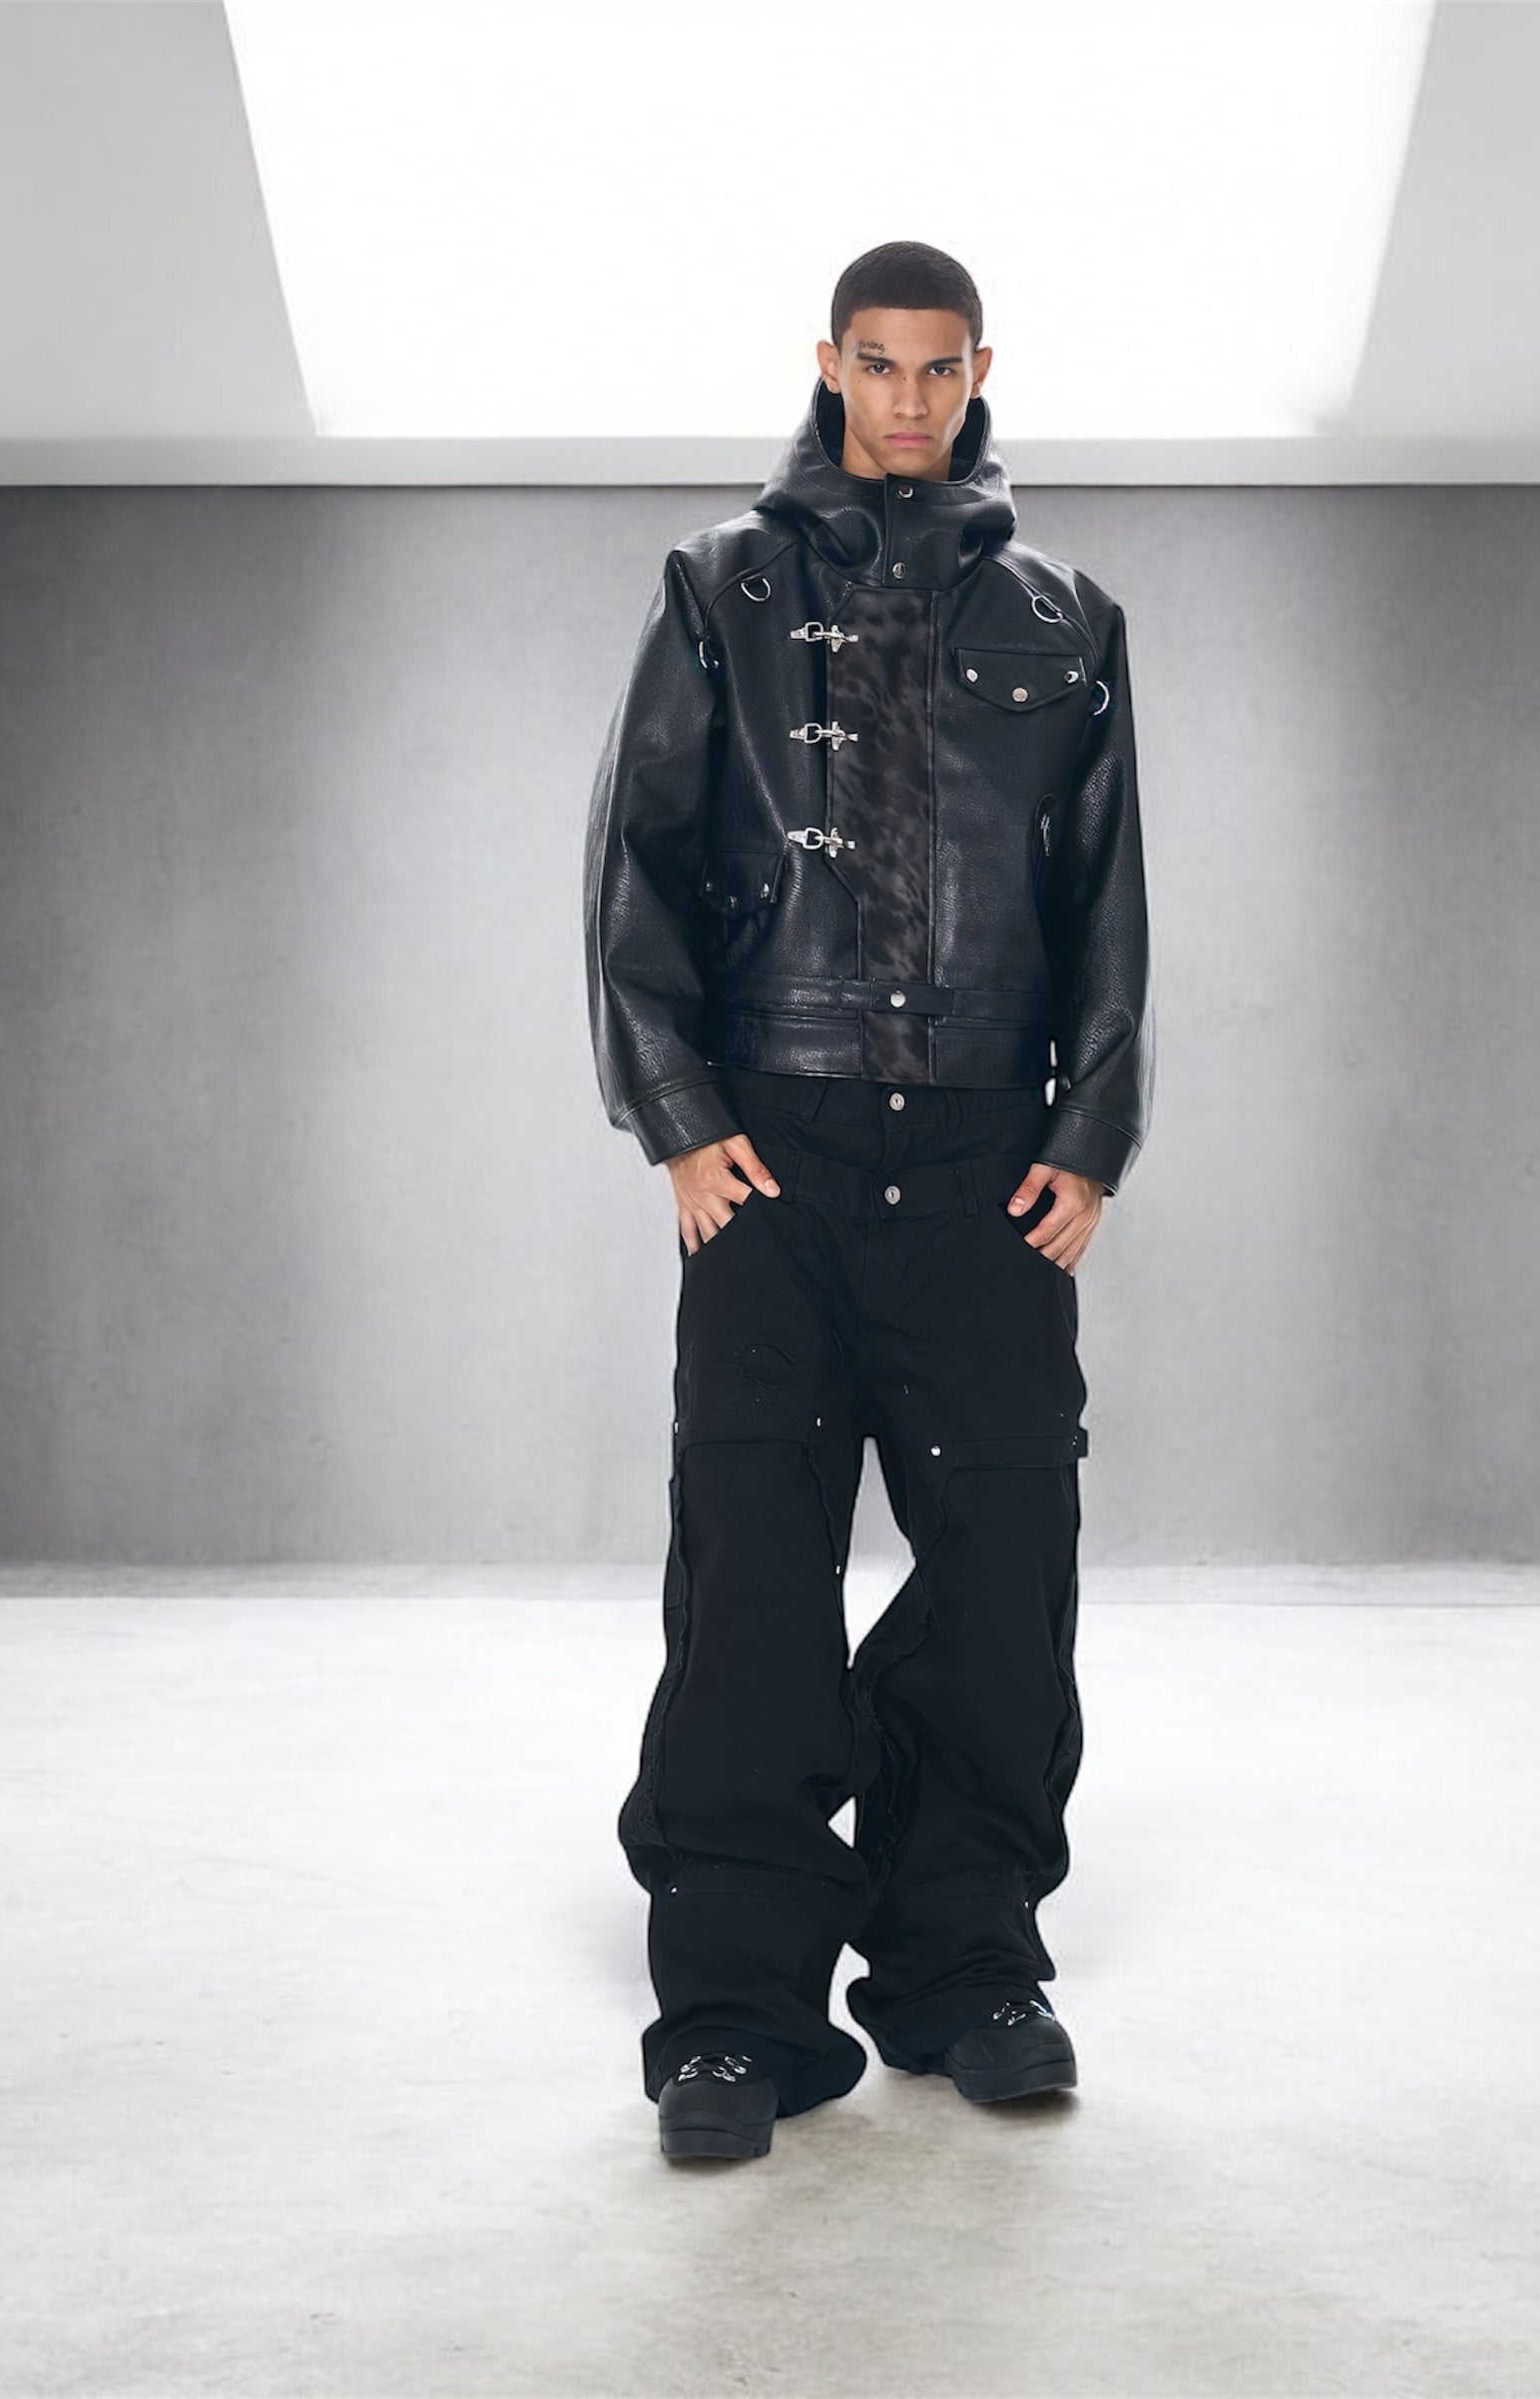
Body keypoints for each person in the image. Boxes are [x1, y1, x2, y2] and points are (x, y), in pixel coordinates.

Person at [583, 239, 1152, 2161]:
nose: (908, 398)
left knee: (1006, 1575)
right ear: (828, 363)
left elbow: (1106, 897)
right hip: (776, 1152)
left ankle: (966, 1966)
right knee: (752, 1579)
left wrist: (1090, 1132)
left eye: (939, 367)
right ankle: (732, 2020)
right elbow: (637, 861)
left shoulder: (1068, 615)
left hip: (988, 1162)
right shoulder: (721, 586)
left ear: (981, 371)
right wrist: (680, 1119)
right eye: (877, 363)